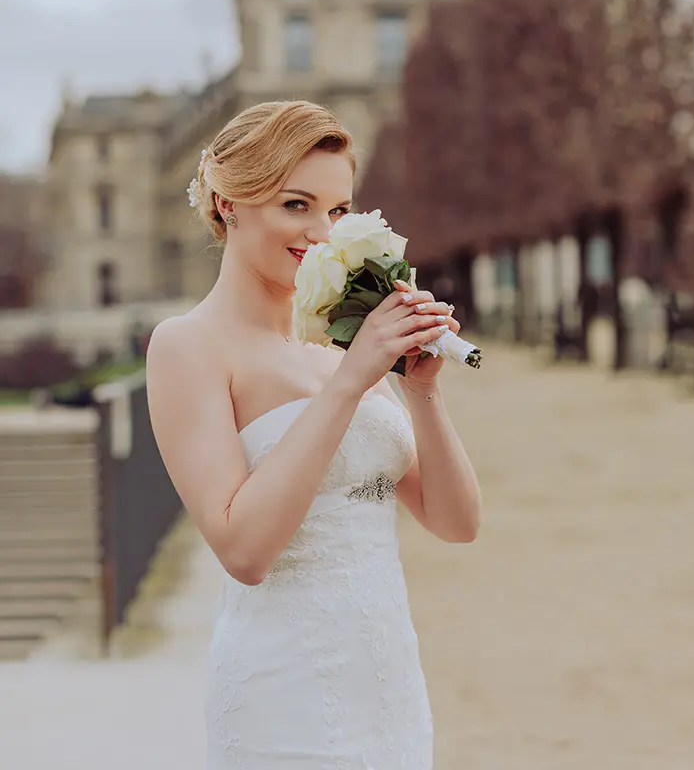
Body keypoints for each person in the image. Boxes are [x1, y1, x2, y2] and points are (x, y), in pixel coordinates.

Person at [146, 99, 482, 770]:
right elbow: (244, 551)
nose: (323, 234)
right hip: (282, 699)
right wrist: (349, 381)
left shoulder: (342, 344)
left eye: (337, 210)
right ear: (226, 202)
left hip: (388, 687)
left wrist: (420, 392)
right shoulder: (187, 347)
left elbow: (456, 522)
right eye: (296, 205)